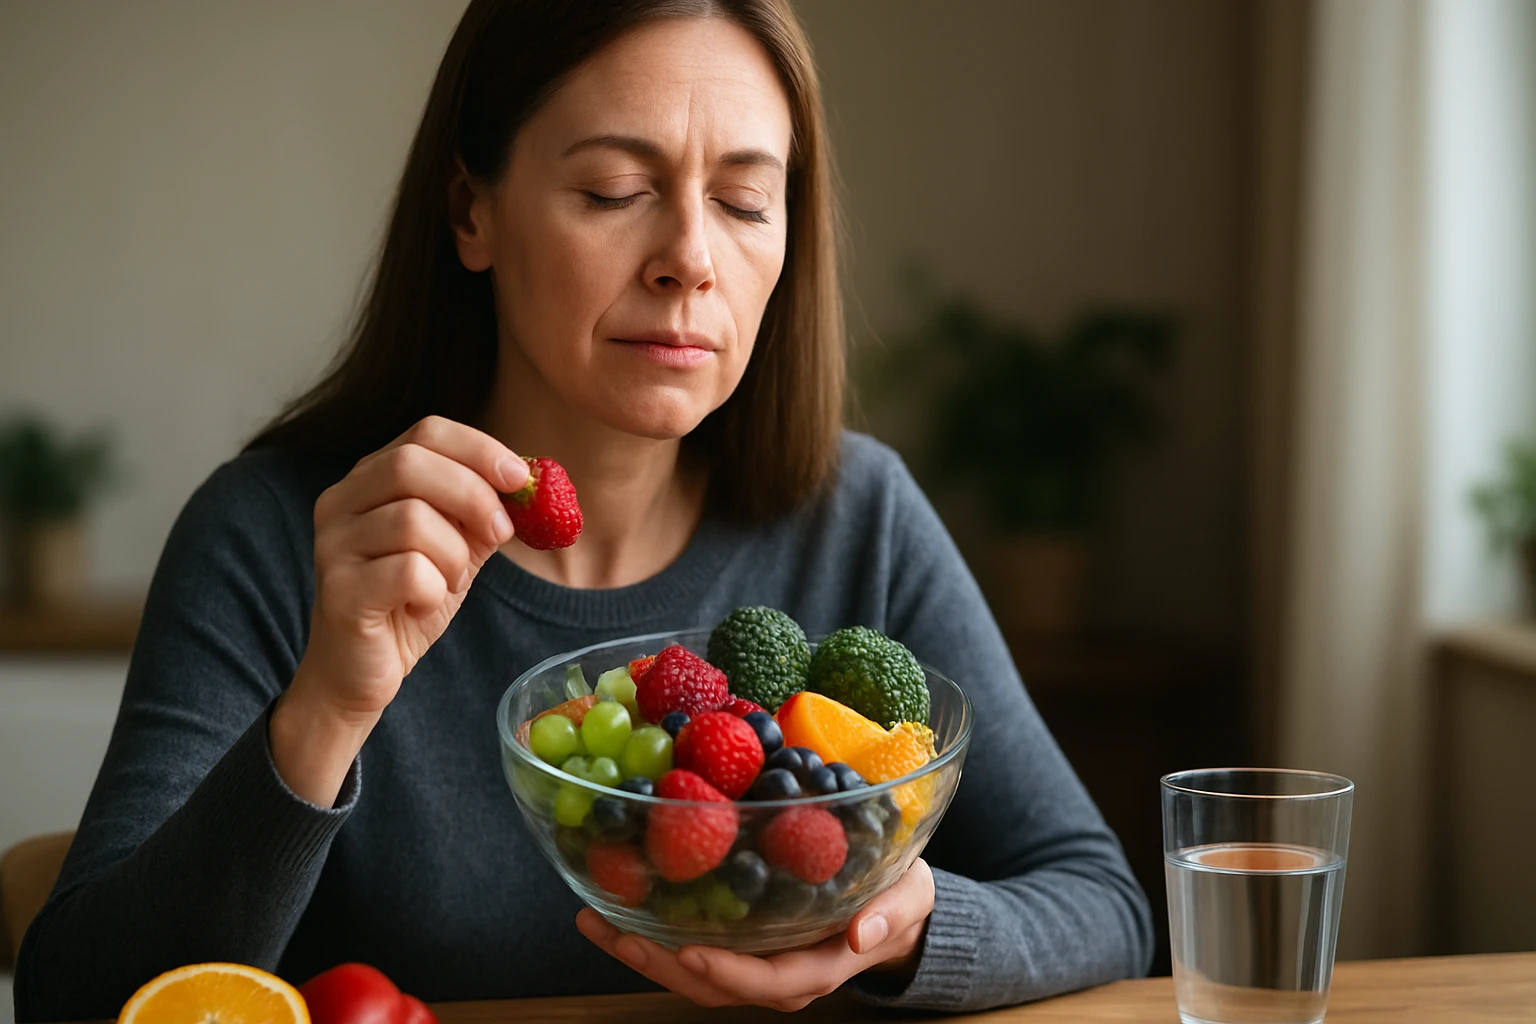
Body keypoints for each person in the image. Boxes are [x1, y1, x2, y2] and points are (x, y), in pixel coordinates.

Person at [14, 0, 1152, 1017]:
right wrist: (327, 703)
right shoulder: (274, 538)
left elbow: (1102, 900)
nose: (690, 259)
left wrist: (892, 932)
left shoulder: (860, 516)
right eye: (616, 191)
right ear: (472, 212)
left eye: (748, 201)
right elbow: (80, 995)